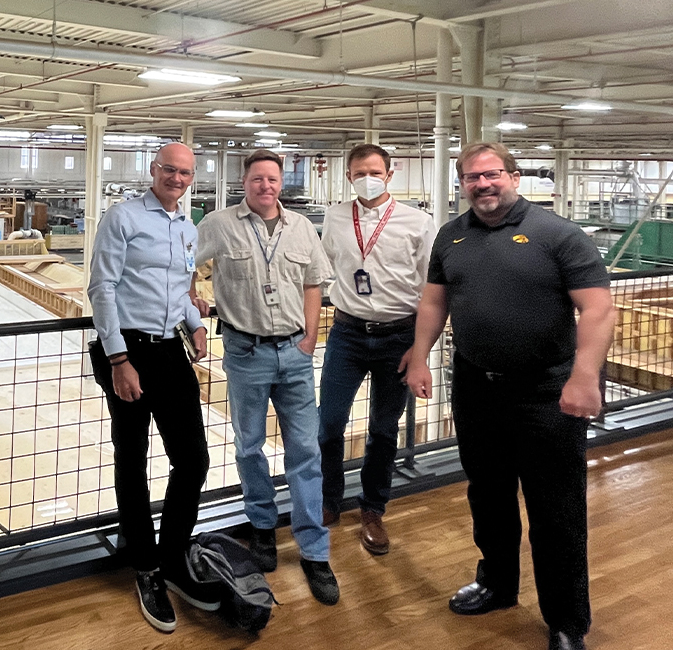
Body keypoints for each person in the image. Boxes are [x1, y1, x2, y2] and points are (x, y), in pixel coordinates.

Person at [404, 143, 615, 650]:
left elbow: (598, 308)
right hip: (477, 387)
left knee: (556, 509)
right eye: (472, 178)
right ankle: (497, 584)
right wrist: (418, 356)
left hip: (547, 391)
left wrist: (584, 375)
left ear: (514, 177)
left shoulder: (557, 234)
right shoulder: (451, 236)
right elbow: (435, 301)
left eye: (492, 174)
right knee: (489, 496)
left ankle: (566, 620)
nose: (483, 184)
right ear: (462, 184)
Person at [195, 149, 339, 605]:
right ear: (245, 182)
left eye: (272, 179)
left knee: (305, 452)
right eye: (257, 178)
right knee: (249, 446)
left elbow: (314, 282)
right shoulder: (218, 224)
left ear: (281, 183)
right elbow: (182, 267)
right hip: (245, 352)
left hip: (294, 353)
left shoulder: (300, 227)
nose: (265, 186)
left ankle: (315, 551)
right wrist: (190, 300)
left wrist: (310, 339)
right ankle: (261, 529)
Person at [87, 142, 217, 633]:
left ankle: (172, 553)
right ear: (153, 170)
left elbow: (179, 287)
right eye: (169, 170)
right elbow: (103, 289)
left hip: (170, 351)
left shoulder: (186, 226)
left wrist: (195, 323)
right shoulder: (122, 219)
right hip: (128, 352)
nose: (177, 179)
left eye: (185, 173)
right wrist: (119, 359)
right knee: (132, 458)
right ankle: (146, 567)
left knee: (193, 459)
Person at [318, 144, 436, 555]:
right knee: (329, 424)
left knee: (383, 430)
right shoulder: (335, 217)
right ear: (348, 176)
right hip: (347, 334)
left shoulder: (418, 222)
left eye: (374, 171)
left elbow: (432, 292)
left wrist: (420, 351)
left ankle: (373, 509)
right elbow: (323, 268)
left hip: (397, 339)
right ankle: (329, 498)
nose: (366, 178)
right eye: (357, 172)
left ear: (390, 173)